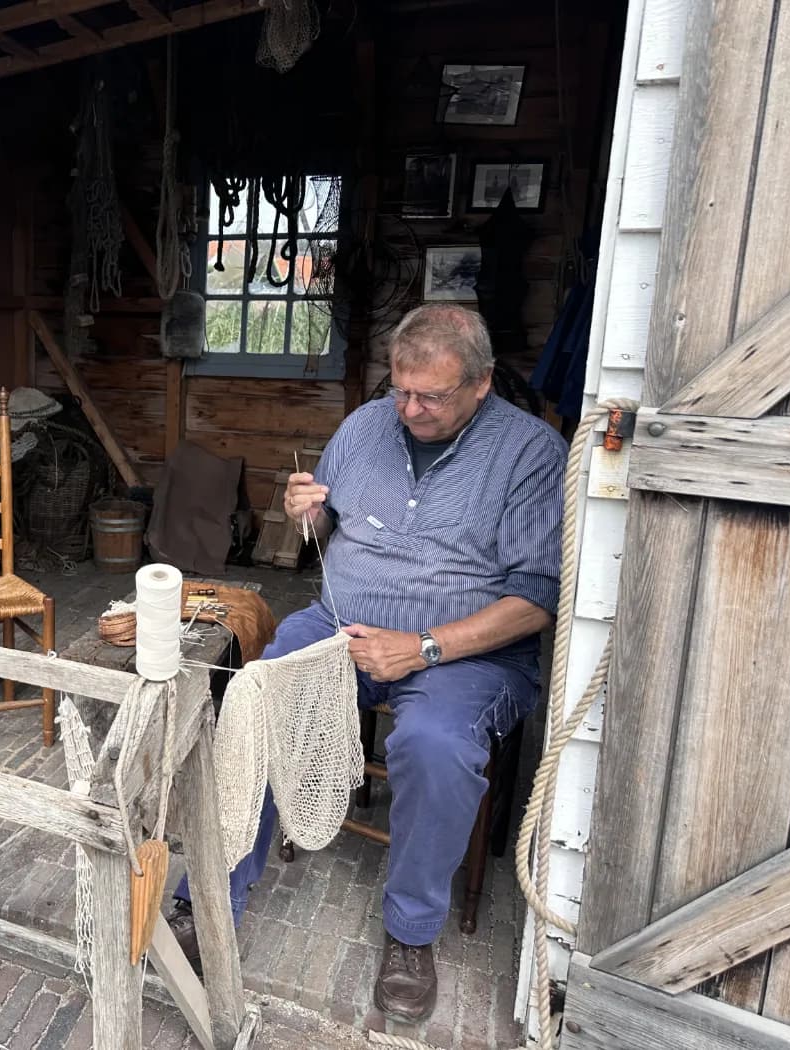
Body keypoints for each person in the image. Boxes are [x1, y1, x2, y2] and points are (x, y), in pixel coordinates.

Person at [165, 304, 566, 1021]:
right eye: (400, 389)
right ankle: (209, 902)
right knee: (256, 692)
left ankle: (411, 933)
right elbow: (328, 523)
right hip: (340, 624)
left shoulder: (531, 453)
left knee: (434, 744)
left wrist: (424, 646)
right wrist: (305, 512)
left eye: (430, 396)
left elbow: (535, 600)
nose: (408, 408)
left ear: (480, 385)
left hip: (462, 651)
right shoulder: (365, 424)